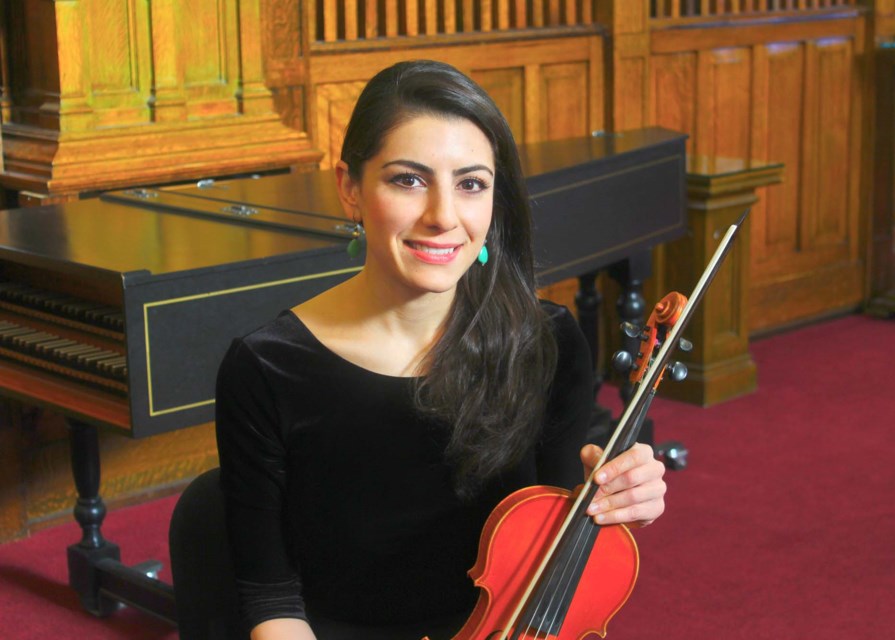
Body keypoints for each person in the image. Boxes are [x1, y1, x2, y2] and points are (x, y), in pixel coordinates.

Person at [214, 59, 667, 640]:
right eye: (408, 179)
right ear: (350, 188)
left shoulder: (546, 342)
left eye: (471, 184)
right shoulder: (266, 368)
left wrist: (619, 503)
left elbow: (558, 556)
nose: (443, 217)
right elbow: (270, 595)